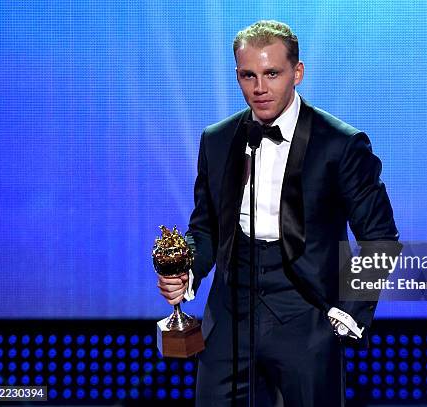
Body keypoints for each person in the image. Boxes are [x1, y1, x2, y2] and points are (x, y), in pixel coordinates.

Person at [157, 20, 398, 406]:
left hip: (307, 318)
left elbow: (381, 239)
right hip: (229, 318)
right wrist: (186, 271)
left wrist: (348, 313)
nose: (259, 88)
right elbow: (204, 229)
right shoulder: (217, 140)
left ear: (297, 73)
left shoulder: (341, 144)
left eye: (272, 73)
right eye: (247, 75)